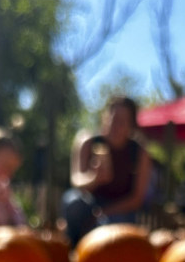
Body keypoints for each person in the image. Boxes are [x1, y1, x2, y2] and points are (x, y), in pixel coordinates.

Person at [61, 95, 152, 246]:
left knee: (112, 228)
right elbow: (76, 181)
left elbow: (136, 199)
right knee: (72, 202)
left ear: (131, 125)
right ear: (105, 118)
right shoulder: (88, 142)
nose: (116, 125)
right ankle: (73, 249)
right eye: (113, 119)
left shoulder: (139, 152)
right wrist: (94, 177)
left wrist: (104, 212)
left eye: (123, 121)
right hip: (89, 204)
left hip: (120, 208)